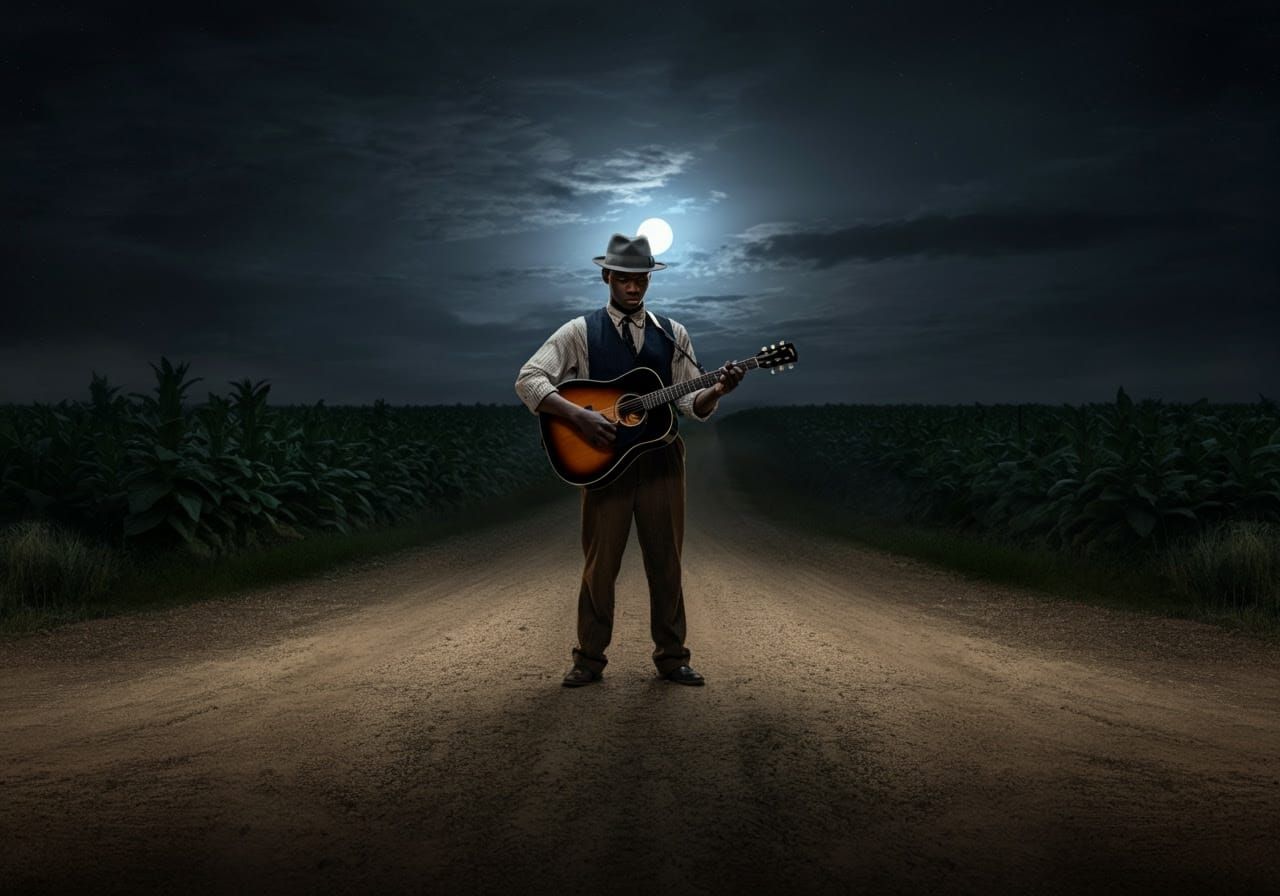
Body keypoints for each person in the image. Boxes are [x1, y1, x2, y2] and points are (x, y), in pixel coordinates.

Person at [514, 233, 745, 687]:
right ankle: (588, 659)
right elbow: (529, 380)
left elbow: (690, 404)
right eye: (623, 278)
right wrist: (579, 417)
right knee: (600, 565)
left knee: (666, 561)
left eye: (641, 279)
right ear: (606, 277)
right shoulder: (579, 331)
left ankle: (673, 657)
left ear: (650, 279)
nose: (633, 287)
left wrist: (717, 390)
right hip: (602, 462)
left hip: (661, 460)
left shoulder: (673, 333)